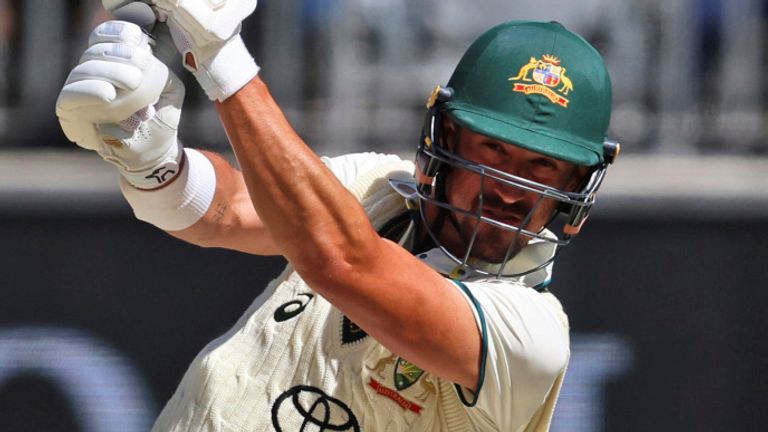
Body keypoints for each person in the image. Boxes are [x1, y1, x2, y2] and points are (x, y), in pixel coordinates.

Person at [55, 1, 619, 430]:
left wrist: (221, 56)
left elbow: (343, 261)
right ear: (445, 136)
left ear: (575, 185)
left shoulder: (532, 335)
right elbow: (224, 212)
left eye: (543, 166)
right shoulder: (376, 187)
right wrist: (154, 159)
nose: (510, 190)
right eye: (493, 149)